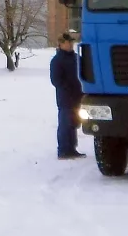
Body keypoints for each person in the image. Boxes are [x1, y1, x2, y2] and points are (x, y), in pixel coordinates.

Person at [50, 30, 86, 159]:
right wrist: (68, 88)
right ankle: (64, 150)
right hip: (65, 98)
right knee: (65, 123)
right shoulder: (57, 60)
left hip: (78, 96)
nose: (70, 45)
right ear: (61, 44)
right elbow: (56, 80)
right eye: (67, 43)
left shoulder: (76, 58)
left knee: (74, 123)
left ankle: (71, 148)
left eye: (71, 42)